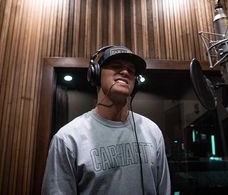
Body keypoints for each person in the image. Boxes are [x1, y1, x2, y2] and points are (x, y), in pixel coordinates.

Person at [41, 45, 171, 195]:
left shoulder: (152, 130)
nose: (125, 72)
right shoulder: (68, 138)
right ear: (95, 74)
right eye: (116, 66)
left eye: (131, 70)